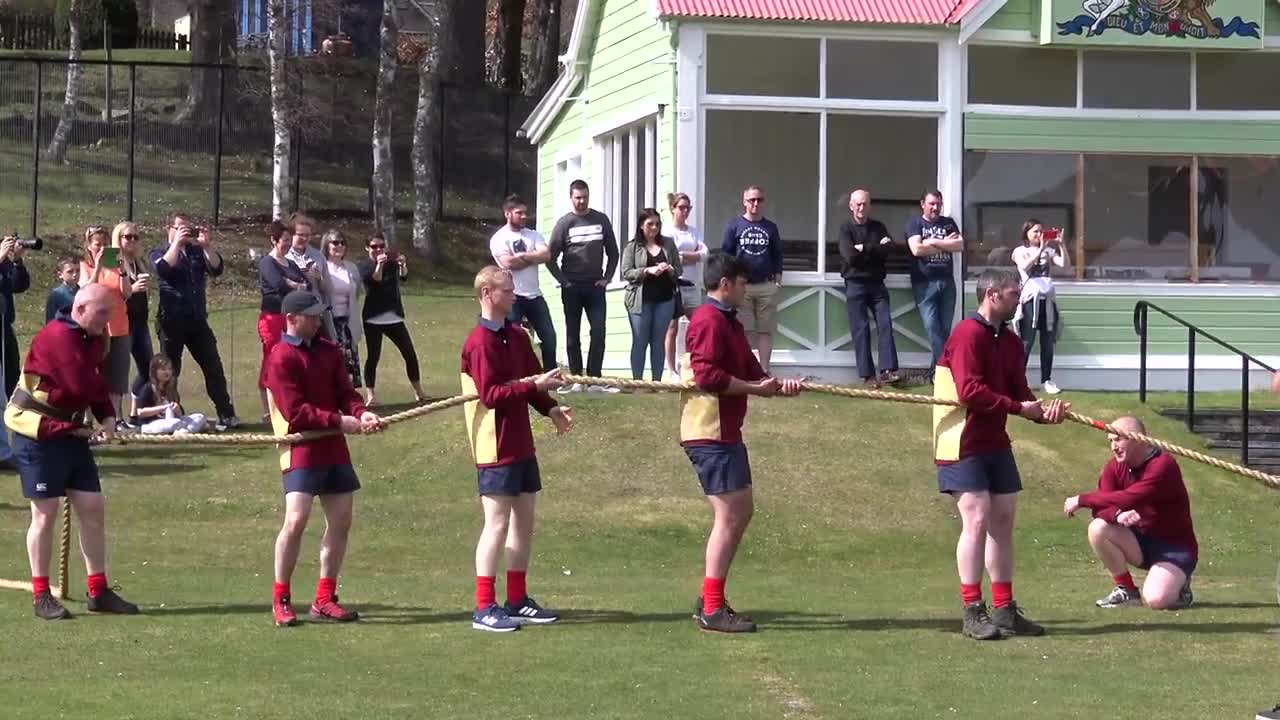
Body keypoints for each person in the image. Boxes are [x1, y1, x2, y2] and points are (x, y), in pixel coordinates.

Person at [933, 268, 1068, 640]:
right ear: (992, 294)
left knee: (1003, 520)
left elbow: (1020, 392)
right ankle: (972, 610)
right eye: (1013, 294)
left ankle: (1005, 609)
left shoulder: (1009, 342)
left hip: (995, 443)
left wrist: (1044, 414)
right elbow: (970, 391)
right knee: (976, 517)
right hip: (961, 442)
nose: (1019, 300)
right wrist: (1019, 408)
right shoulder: (966, 334)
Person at [682, 251, 802, 633]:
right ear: (726, 284)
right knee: (730, 513)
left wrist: (780, 385)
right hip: (708, 430)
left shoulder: (730, 324)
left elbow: (754, 374)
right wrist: (755, 388)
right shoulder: (707, 320)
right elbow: (706, 376)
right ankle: (713, 608)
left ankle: (711, 598)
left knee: (741, 510)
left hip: (726, 432)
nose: (746, 288)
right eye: (742, 282)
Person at [6, 284, 138, 620]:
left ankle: (99, 590)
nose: (107, 321)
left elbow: (93, 382)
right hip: (37, 432)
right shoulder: (57, 338)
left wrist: (107, 416)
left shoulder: (92, 337)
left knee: (92, 507)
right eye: (102, 314)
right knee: (45, 513)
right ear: (80, 310)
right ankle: (41, 596)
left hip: (71, 432)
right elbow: (78, 383)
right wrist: (92, 424)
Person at [461, 266, 573, 632]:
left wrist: (551, 408)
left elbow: (536, 383)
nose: (514, 296)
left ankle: (517, 600)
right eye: (507, 290)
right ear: (487, 294)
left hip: (522, 445)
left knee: (523, 523)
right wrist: (534, 386)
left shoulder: (517, 336)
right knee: (496, 524)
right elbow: (492, 395)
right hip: (494, 447)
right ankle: (483, 607)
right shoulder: (478, 343)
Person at [265, 290, 384, 627]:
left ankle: (324, 598)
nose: (319, 320)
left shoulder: (329, 351)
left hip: (333, 448)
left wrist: (361, 414)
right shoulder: (280, 357)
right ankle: (281, 599)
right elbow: (295, 412)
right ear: (291, 319)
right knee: (296, 520)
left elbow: (346, 393)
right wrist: (339, 421)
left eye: (320, 315)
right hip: (302, 448)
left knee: (342, 520)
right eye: (312, 316)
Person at [1064, 416, 1196, 610]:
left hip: (1174, 548)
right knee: (1098, 528)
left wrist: (1081, 500)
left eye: (1118, 439)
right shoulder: (1113, 467)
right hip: (1139, 542)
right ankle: (1127, 591)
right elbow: (1102, 506)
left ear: (1137, 438)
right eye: (1110, 441)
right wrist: (1117, 516)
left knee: (1157, 600)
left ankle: (1180, 587)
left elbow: (1129, 498)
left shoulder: (1163, 465)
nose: (1113, 447)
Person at [150, 213, 239, 428]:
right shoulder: (159, 251)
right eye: (180, 228)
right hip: (171, 320)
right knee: (169, 370)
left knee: (213, 367)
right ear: (168, 228)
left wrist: (207, 247)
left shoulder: (196, 252)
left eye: (187, 229)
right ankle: (171, 414)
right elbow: (163, 269)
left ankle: (226, 413)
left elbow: (216, 269)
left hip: (197, 320)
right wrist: (177, 244)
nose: (185, 233)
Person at [547, 179, 620, 394]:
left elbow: (613, 253)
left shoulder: (600, 220)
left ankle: (594, 379)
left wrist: (607, 278)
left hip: (595, 286)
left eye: (584, 197)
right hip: (572, 287)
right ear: (571, 198)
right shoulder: (564, 223)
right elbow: (550, 258)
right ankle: (577, 379)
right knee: (573, 334)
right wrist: (564, 282)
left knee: (598, 331)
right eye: (577, 197)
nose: (581, 201)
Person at [838, 189, 900, 387]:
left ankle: (887, 370)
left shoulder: (878, 227)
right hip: (855, 284)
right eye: (858, 204)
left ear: (869, 205)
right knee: (861, 329)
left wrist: (864, 248)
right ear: (851, 205)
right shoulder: (845, 229)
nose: (861, 207)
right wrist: (875, 248)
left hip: (877, 285)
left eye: (865, 203)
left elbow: (889, 249)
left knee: (885, 324)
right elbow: (849, 256)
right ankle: (868, 375)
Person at [489, 194, 556, 372]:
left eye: (526, 212)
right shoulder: (499, 238)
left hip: (535, 294)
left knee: (549, 337)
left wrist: (523, 256)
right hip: (512, 296)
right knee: (513, 339)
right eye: (519, 213)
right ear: (507, 214)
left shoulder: (533, 235)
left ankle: (552, 377)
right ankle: (516, 376)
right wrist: (534, 258)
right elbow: (508, 263)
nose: (524, 216)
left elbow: (546, 255)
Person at [358, 233, 426, 406]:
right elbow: (376, 280)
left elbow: (403, 277)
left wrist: (403, 265)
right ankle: (371, 396)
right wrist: (379, 265)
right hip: (373, 318)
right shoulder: (364, 265)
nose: (378, 250)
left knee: (409, 354)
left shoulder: (391, 263)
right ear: (367, 248)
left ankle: (419, 392)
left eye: (381, 246)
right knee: (373, 357)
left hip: (393, 317)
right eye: (374, 247)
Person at [721, 185, 784, 373]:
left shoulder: (770, 227)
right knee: (744, 331)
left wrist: (777, 281)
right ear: (744, 202)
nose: (756, 203)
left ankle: (764, 371)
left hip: (766, 285)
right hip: (742, 287)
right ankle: (746, 370)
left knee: (765, 331)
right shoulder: (734, 226)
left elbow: (777, 255)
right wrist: (731, 282)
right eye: (752, 200)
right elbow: (727, 255)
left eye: (759, 200)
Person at [907, 190, 964, 377]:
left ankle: (935, 372)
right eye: (932, 203)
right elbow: (916, 249)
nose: (935, 207)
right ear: (922, 204)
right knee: (933, 329)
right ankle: (946, 372)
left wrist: (931, 241)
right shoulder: (915, 223)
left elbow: (959, 245)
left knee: (945, 330)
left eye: (938, 203)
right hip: (924, 284)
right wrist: (943, 243)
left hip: (947, 282)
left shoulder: (948, 223)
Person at [621, 208, 682, 381]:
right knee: (640, 341)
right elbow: (626, 272)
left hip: (665, 299)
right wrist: (647, 270)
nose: (654, 228)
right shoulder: (632, 247)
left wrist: (670, 269)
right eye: (650, 224)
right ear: (641, 226)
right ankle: (637, 382)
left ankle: (657, 382)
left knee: (658, 342)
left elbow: (679, 269)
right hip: (640, 300)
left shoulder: (668, 244)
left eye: (657, 224)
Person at [258, 220, 310, 421]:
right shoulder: (267, 262)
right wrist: (295, 285)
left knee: (292, 358)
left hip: (291, 318)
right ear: (274, 240)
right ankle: (268, 410)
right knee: (273, 360)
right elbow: (278, 284)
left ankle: (289, 401)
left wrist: (295, 284)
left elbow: (303, 282)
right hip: (272, 318)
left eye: (289, 240)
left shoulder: (291, 263)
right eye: (284, 240)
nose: (288, 244)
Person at [79, 225, 132, 425]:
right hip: (95, 330)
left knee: (117, 376)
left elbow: (127, 294)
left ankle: (116, 419)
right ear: (89, 245)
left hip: (118, 326)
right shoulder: (84, 266)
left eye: (104, 244)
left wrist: (123, 271)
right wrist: (99, 266)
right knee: (92, 374)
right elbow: (86, 290)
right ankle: (88, 420)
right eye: (97, 244)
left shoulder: (115, 265)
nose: (101, 248)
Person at [1011, 219, 1069, 396]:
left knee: (1047, 342)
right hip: (1030, 300)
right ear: (1026, 233)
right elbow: (1025, 266)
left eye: (1041, 231)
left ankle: (1046, 380)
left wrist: (1062, 245)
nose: (1039, 234)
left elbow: (1065, 266)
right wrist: (1041, 250)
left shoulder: (1049, 250)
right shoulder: (1020, 251)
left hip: (1047, 300)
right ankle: (1017, 381)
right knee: (1026, 342)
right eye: (1035, 231)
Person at [664, 192, 707, 378]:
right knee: (672, 327)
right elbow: (671, 257)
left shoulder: (693, 231)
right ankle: (671, 369)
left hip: (692, 284)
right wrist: (690, 255)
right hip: (673, 284)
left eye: (687, 208)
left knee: (697, 325)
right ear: (673, 208)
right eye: (681, 207)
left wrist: (687, 256)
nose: (685, 211)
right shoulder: (667, 232)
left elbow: (705, 254)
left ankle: (691, 365)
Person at [116, 221, 154, 401]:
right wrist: (133, 289)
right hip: (122, 323)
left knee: (149, 369)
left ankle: (136, 410)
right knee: (119, 372)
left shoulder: (140, 262)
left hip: (141, 322)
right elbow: (110, 290)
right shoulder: (113, 259)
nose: (132, 240)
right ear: (118, 238)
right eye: (127, 237)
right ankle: (116, 418)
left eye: (135, 237)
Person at [323, 229, 364, 390]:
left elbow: (357, 291)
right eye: (335, 242)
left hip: (347, 321)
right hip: (330, 321)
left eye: (342, 243)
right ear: (327, 245)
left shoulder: (351, 268)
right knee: (334, 360)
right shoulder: (323, 267)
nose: (339, 246)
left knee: (349, 361)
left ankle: (350, 399)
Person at [130, 354, 208, 435]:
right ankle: (184, 430)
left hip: (174, 421)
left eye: (169, 369)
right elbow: (140, 412)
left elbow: (180, 414)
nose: (167, 372)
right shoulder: (148, 389)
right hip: (152, 424)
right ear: (154, 371)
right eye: (163, 369)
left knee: (199, 417)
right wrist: (163, 408)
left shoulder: (171, 389)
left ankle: (184, 432)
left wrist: (177, 409)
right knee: (175, 423)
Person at [0, 231, 31, 398]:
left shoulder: (5, 262)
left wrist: (17, 261)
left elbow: (19, 285)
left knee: (11, 373)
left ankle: (8, 416)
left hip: (5, 326)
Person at [44, 257, 79, 323]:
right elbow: (50, 321)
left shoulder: (83, 293)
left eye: (78, 270)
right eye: (70, 272)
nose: (75, 274)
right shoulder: (56, 295)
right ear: (60, 275)